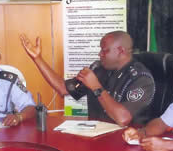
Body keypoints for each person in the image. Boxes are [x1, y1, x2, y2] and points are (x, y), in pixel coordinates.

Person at [19, 31, 155, 126]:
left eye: (104, 50)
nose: (99, 54)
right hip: (98, 137)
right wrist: (37, 58)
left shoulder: (141, 78)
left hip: (127, 142)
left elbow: (123, 119)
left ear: (120, 51)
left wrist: (96, 87)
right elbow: (62, 88)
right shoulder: (99, 69)